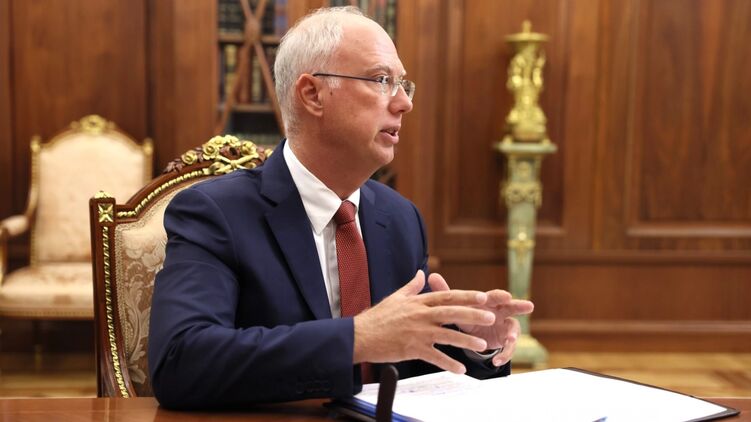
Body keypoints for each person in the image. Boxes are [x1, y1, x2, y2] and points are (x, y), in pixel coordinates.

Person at [148, 6, 534, 409]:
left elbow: (413, 367)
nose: (404, 103)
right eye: (382, 80)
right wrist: (356, 338)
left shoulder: (400, 218)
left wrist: (473, 344)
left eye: (404, 85)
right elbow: (181, 362)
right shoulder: (216, 213)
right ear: (312, 94)